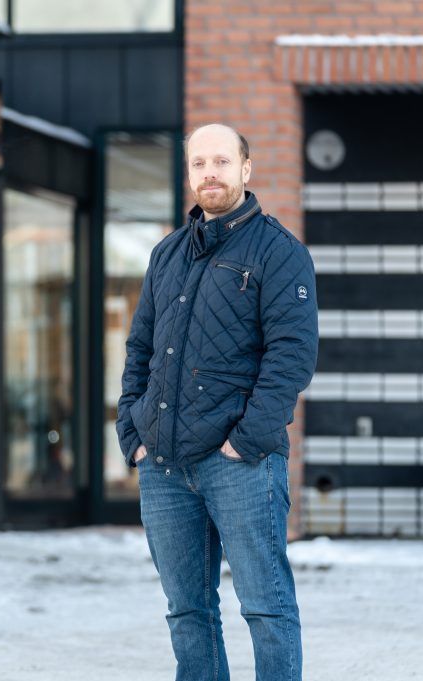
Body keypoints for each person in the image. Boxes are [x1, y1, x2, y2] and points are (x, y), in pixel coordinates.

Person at [116, 123, 318, 681]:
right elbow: (140, 349)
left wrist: (244, 441)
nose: (210, 172)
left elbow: (291, 358)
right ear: (188, 174)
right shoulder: (167, 253)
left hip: (241, 465)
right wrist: (132, 433)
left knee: (267, 609)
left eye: (222, 162)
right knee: (188, 613)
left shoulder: (279, 253)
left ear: (245, 170)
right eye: (199, 163)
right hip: (162, 465)